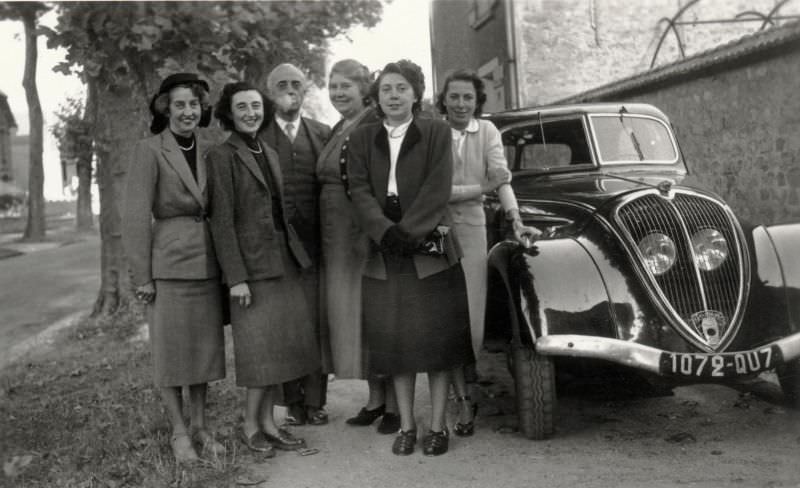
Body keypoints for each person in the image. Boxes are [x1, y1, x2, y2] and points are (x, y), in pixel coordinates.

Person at [347, 60, 474, 456]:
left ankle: (436, 427)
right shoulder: (362, 138)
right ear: (377, 97)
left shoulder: (436, 132)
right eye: (387, 89)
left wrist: (408, 232)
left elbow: (438, 188)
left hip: (429, 252)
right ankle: (406, 425)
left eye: (402, 88)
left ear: (416, 94)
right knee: (395, 346)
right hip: (384, 250)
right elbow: (359, 191)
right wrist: (386, 232)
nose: (394, 96)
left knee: (436, 346)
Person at [206, 82, 319, 456]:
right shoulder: (221, 156)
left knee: (280, 349)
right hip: (251, 268)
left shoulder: (267, 150)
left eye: (256, 105)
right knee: (258, 352)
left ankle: (270, 424)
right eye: (242, 107)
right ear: (229, 112)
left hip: (283, 262)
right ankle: (250, 425)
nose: (251, 112)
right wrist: (235, 278)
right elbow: (222, 222)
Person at [122, 73, 226, 463]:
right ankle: (179, 433)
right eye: (179, 104)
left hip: (207, 265)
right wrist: (142, 277)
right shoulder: (149, 150)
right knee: (170, 354)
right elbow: (134, 218)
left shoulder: (210, 149)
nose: (187, 112)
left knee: (202, 353)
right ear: (166, 108)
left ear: (202, 110)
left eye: (193, 105)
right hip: (167, 267)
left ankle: (201, 426)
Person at [436, 69, 542, 437]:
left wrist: (516, 220)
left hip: (471, 231)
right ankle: (459, 397)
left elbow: (503, 182)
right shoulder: (433, 132)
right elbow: (435, 192)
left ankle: (465, 382)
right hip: (433, 232)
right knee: (443, 316)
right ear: (444, 99)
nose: (461, 104)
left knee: (471, 316)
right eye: (454, 97)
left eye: (468, 97)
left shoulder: (488, 133)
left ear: (476, 101)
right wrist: (479, 187)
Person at [315, 59, 400, 434]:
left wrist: (372, 232)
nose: (337, 94)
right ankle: (375, 398)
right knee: (355, 319)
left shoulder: (371, 124)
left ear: (364, 89)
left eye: (344, 87)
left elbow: (381, 184)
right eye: (332, 87)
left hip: (361, 235)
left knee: (376, 316)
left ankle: (396, 405)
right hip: (337, 239)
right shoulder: (339, 127)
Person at [261, 63, 332, 426]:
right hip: (274, 249)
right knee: (283, 325)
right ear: (269, 91)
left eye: (296, 84)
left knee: (314, 324)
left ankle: (315, 402)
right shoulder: (256, 136)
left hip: (316, 247)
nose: (290, 90)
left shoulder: (322, 133)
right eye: (282, 84)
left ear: (305, 91)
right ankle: (288, 403)